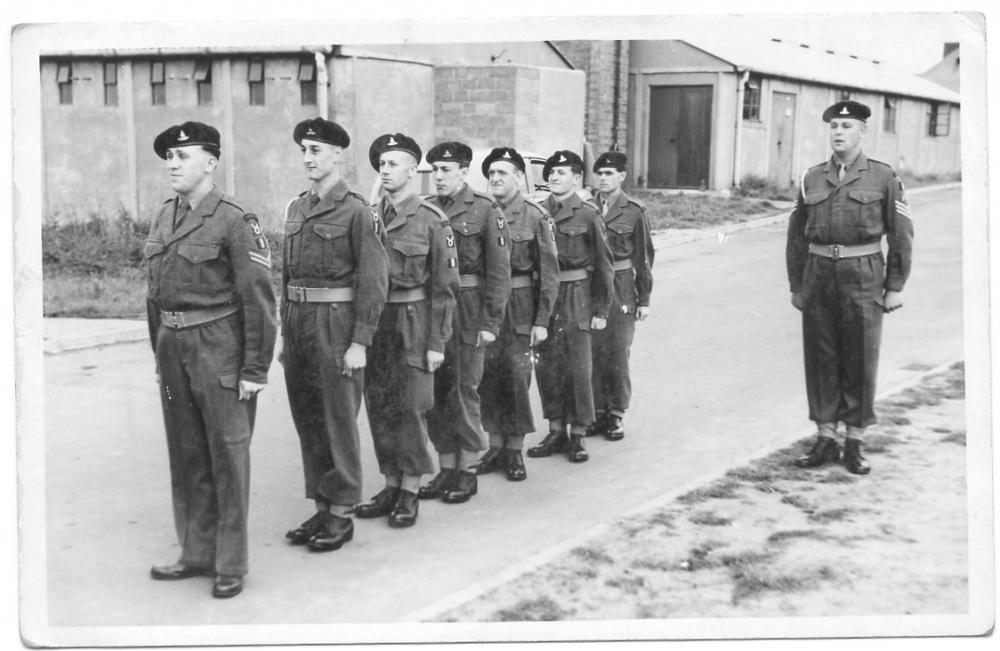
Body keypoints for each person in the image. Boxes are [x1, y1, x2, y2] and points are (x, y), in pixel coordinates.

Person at [144, 121, 277, 598]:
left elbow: (260, 300)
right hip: (173, 348)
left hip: (218, 344)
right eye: (169, 157)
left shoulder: (236, 219)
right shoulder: (164, 216)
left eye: (183, 156)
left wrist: (255, 369)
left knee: (227, 456)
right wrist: (159, 352)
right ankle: (195, 552)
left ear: (211, 163)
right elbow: (155, 293)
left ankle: (230, 563)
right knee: (187, 454)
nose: (173, 164)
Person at [786, 100, 913, 475]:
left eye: (847, 127)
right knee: (821, 357)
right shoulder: (812, 178)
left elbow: (901, 235)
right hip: (819, 273)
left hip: (863, 274)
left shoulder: (882, 177)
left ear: (862, 132)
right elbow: (796, 236)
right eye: (834, 128)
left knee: (859, 358)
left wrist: (895, 286)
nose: (838, 133)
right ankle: (825, 438)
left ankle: (854, 441)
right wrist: (797, 284)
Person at [281, 118, 389, 552]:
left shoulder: (357, 210)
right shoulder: (296, 208)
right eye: (304, 150)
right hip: (299, 323)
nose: (308, 158)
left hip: (336, 323)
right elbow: (286, 275)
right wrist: (283, 334)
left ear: (337, 155)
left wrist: (360, 341)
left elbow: (374, 280)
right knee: (308, 417)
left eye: (317, 150)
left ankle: (342, 513)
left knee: (338, 419)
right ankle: (322, 505)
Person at [354, 133, 459, 528]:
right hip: (376, 324)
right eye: (381, 163)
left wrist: (437, 342)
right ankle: (390, 483)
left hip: (414, 322)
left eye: (393, 163)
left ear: (413, 171)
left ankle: (411, 490)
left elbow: (445, 287)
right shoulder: (367, 216)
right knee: (380, 405)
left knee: (412, 407)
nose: (385, 169)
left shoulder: (433, 220)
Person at [419, 141, 511, 504]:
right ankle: (446, 467)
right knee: (437, 391)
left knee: (464, 389)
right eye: (434, 170)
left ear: (463, 171)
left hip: (471, 309)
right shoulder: (425, 210)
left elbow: (499, 271)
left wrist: (491, 321)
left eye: (445, 170)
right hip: (434, 310)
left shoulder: (486, 210)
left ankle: (467, 471)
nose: (438, 177)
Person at [473, 147, 559, 481]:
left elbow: (549, 273)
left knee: (517, 379)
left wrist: (541, 320)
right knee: (490, 378)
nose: (495, 178)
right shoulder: (482, 214)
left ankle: (514, 451)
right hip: (488, 306)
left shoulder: (535, 216)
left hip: (521, 305)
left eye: (503, 173)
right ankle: (495, 446)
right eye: (491, 173)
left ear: (520, 178)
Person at [528, 150, 614, 463]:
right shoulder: (537, 211)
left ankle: (578, 434)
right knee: (548, 367)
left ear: (577, 178)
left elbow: (605, 265)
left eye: (561, 173)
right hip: (546, 299)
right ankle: (555, 430)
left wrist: (601, 309)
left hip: (578, 297)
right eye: (550, 173)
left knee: (579, 369)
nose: (553, 177)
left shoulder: (589, 214)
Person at [589, 151, 655, 441]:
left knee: (617, 351)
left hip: (622, 286)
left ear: (622, 176)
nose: (603, 179)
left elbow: (644, 257)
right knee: (593, 351)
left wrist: (644, 299)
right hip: (591, 286)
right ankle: (597, 412)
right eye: (599, 174)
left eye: (608, 174)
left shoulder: (634, 211)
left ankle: (616, 414)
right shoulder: (587, 207)